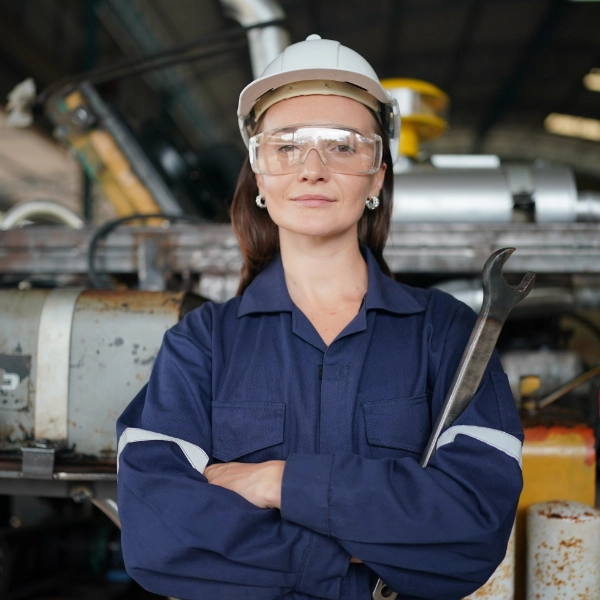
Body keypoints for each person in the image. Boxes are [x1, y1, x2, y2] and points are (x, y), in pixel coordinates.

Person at [116, 34, 523, 600]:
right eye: (286, 146)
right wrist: (353, 556)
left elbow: (471, 530)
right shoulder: (200, 344)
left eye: (343, 146)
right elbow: (158, 535)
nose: (312, 169)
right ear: (259, 175)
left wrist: (278, 483)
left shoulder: (448, 334)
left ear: (377, 176)